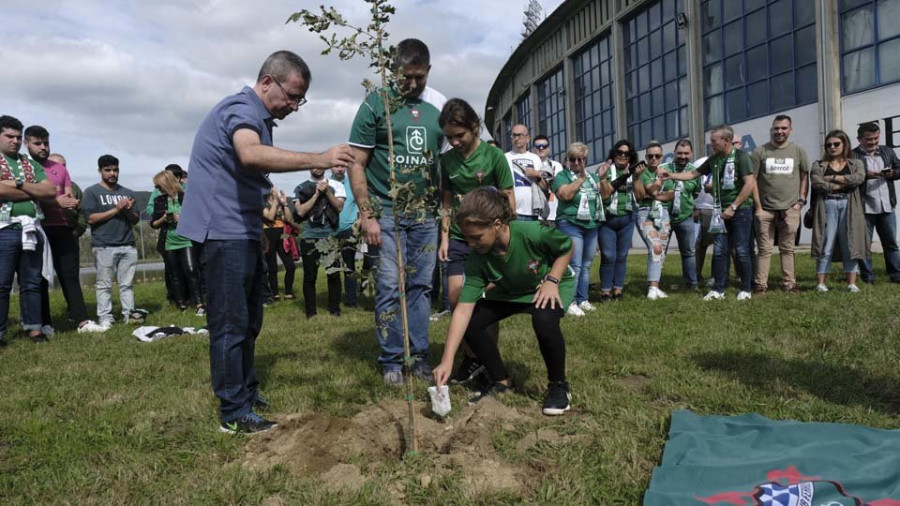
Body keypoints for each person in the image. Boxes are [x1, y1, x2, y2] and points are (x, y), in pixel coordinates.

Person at [177, 50, 355, 435]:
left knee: (250, 319)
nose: (294, 106)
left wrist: (257, 228)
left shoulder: (260, 118)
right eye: (291, 95)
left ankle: (245, 390)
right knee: (230, 322)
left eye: (299, 99)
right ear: (267, 82)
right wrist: (319, 155)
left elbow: (244, 179)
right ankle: (233, 411)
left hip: (241, 230)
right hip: (221, 232)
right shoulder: (242, 109)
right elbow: (250, 154)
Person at [348, 39, 446, 387]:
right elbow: (356, 164)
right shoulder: (376, 104)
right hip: (386, 213)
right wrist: (367, 214)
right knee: (390, 287)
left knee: (420, 287)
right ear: (393, 72)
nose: (414, 84)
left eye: (420, 77)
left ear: (428, 71)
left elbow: (448, 163)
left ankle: (418, 357)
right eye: (407, 77)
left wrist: (445, 215)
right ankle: (391, 360)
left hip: (425, 215)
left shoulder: (438, 106)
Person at [432, 187, 574, 416]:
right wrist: (446, 360)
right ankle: (501, 380)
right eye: (467, 238)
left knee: (544, 319)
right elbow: (462, 310)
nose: (471, 244)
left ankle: (559, 386)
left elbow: (566, 247)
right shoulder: (478, 258)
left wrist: (552, 280)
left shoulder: (531, 233)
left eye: (476, 237)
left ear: (497, 225)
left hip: (547, 286)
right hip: (510, 290)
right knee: (473, 321)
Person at [436, 97, 515, 384]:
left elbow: (510, 201)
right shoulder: (447, 161)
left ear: (475, 128)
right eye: (449, 137)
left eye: (460, 135)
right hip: (458, 239)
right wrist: (445, 237)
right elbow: (445, 201)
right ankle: (471, 357)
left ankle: (486, 359)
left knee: (484, 303)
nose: (455, 142)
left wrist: (502, 238)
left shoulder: (494, 157)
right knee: (457, 298)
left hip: (488, 241)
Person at [661, 125, 756, 301]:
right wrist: (670, 175)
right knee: (719, 251)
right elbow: (692, 174)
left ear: (726, 141)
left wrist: (733, 207)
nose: (711, 144)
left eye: (714, 141)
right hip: (720, 211)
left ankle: (746, 288)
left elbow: (749, 184)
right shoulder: (714, 159)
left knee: (742, 250)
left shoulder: (742, 158)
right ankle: (718, 289)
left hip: (740, 211)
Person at [24, 127, 105, 333]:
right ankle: (44, 323)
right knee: (39, 278)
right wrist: (55, 201)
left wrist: (65, 203)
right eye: (37, 143)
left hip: (62, 228)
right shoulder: (25, 167)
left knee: (70, 276)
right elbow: (26, 197)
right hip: (37, 228)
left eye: (46, 143)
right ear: (27, 144)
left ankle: (82, 321)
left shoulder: (60, 169)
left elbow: (67, 197)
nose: (43, 147)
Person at [0, 115, 56, 345]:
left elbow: (50, 192)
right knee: (1, 284)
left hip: (31, 229)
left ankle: (34, 328)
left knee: (32, 282)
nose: (14, 141)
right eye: (9, 136)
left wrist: (19, 184)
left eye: (17, 137)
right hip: (4, 229)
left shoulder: (30, 163)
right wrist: (33, 190)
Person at [83, 154, 144, 327]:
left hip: (128, 245)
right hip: (104, 246)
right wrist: (117, 209)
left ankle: (129, 314)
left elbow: (135, 220)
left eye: (115, 170)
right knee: (104, 285)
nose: (112, 173)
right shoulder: (91, 192)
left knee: (127, 285)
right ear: (100, 171)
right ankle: (105, 317)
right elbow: (91, 219)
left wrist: (127, 210)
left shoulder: (128, 192)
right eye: (107, 170)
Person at [750, 115, 809, 295]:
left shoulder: (798, 151)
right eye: (776, 128)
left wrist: (800, 202)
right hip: (765, 210)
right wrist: (758, 208)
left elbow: (804, 176)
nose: (779, 132)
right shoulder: (760, 152)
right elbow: (752, 180)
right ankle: (761, 285)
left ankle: (789, 284)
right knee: (764, 249)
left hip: (790, 209)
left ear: (790, 130)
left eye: (784, 128)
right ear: (771, 130)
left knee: (787, 248)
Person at [811, 130, 867, 293]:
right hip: (827, 205)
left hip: (850, 205)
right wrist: (842, 185)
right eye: (829, 145)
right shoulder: (819, 164)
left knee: (850, 243)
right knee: (825, 243)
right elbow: (816, 183)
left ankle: (851, 283)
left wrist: (833, 178)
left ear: (844, 144)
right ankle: (821, 283)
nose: (832, 147)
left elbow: (859, 178)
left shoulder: (856, 163)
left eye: (836, 144)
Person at [551, 142, 605, 315]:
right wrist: (580, 179)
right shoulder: (562, 176)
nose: (576, 163)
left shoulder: (592, 177)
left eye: (580, 159)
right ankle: (570, 300)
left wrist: (603, 179)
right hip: (570, 223)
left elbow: (605, 195)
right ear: (567, 160)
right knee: (574, 264)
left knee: (587, 264)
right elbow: (565, 195)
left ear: (585, 160)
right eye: (572, 159)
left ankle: (583, 299)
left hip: (591, 224)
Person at [151, 170, 205, 315]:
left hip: (186, 239)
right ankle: (181, 304)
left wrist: (182, 218)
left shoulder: (187, 198)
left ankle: (199, 303)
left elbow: (200, 218)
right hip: (169, 240)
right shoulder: (159, 201)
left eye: (159, 186)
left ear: (167, 184)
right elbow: (153, 224)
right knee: (175, 274)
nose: (158, 189)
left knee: (191, 270)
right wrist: (164, 219)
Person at [293, 169, 345, 317]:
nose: (317, 168)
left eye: (320, 165)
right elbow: (301, 211)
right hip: (309, 237)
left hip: (330, 237)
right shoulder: (300, 188)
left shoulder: (335, 186)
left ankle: (334, 310)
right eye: (314, 165)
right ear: (309, 167)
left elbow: (339, 207)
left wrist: (327, 192)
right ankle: (311, 312)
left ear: (325, 167)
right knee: (310, 276)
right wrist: (316, 194)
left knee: (334, 274)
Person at [853, 122, 900, 284]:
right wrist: (866, 175)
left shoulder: (887, 151)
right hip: (864, 207)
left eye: (875, 138)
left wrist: (892, 173)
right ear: (859, 139)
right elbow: (849, 178)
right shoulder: (853, 156)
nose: (873, 142)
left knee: (891, 244)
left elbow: (899, 169)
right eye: (868, 139)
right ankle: (868, 277)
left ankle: (896, 275)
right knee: (864, 245)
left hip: (887, 205)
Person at [597, 140, 638, 301]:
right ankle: (605, 290)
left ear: (630, 157)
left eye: (626, 154)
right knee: (608, 256)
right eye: (619, 152)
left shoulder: (634, 171)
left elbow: (640, 196)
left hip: (626, 218)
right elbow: (605, 195)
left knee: (622, 256)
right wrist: (603, 178)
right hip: (608, 219)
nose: (622, 156)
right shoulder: (606, 170)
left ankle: (618, 290)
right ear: (614, 154)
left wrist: (636, 179)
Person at [633, 142, 672, 300]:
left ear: (661, 157)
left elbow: (671, 194)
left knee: (660, 250)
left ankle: (655, 286)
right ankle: (652, 289)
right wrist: (655, 190)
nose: (654, 159)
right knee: (655, 247)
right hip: (646, 213)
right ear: (646, 158)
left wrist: (654, 193)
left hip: (663, 213)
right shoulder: (641, 173)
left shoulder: (665, 172)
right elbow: (643, 194)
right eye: (650, 156)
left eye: (657, 156)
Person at [660, 139, 700, 291]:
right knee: (660, 252)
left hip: (685, 217)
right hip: (664, 217)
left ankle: (692, 284)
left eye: (686, 153)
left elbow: (695, 193)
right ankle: (656, 285)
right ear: (674, 153)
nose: (683, 156)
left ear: (691, 154)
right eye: (679, 153)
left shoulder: (695, 172)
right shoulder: (663, 169)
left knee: (689, 252)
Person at [145, 163, 185, 306]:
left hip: (186, 235)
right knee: (171, 269)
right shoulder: (157, 193)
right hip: (167, 233)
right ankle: (173, 297)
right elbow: (150, 210)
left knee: (189, 268)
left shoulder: (186, 191)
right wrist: (162, 216)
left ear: (179, 178)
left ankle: (192, 298)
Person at [506, 124, 549, 221]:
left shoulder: (535, 158)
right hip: (513, 212)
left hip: (533, 211)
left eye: (520, 135)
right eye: (514, 135)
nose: (516, 138)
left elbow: (545, 187)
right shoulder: (505, 157)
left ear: (528, 138)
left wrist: (537, 175)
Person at [262, 187, 297, 303]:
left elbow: (290, 219)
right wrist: (275, 203)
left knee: (291, 266)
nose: (274, 191)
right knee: (272, 267)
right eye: (271, 189)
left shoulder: (280, 203)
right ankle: (275, 294)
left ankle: (288, 293)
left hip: (283, 234)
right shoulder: (262, 203)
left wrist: (285, 204)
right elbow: (270, 217)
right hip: (268, 233)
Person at [331, 165, 359, 308]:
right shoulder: (326, 184)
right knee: (332, 267)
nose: (340, 169)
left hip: (349, 230)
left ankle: (351, 300)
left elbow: (360, 205)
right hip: (330, 231)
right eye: (336, 166)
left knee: (349, 266)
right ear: (331, 167)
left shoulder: (353, 184)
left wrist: (357, 225)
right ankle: (334, 301)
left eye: (342, 166)